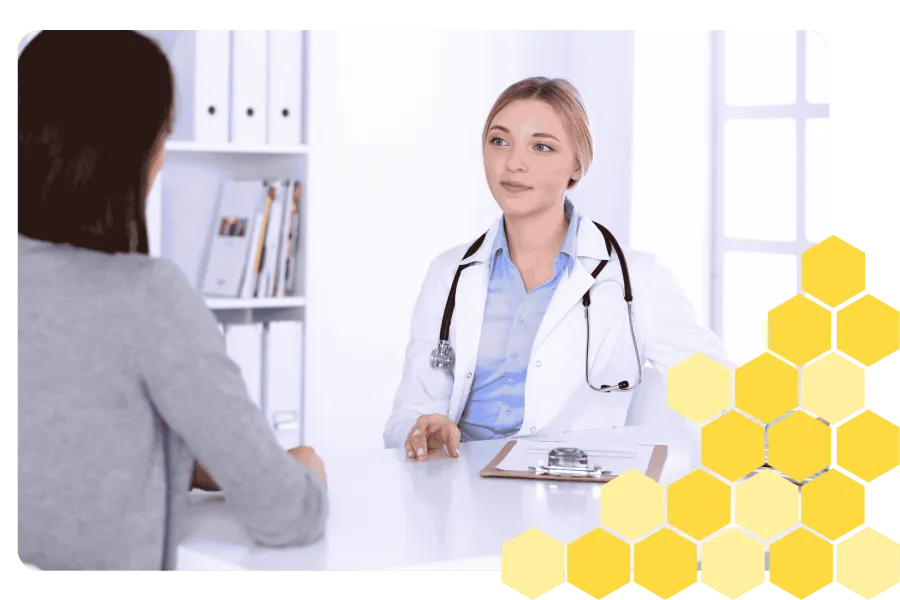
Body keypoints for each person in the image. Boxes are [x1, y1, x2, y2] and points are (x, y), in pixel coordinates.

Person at [16, 30, 328, 572]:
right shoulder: (145, 295)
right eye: (163, 132)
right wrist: (306, 474)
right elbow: (285, 513)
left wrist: (178, 461)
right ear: (133, 153)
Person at [383, 77, 731, 459]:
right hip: (457, 481)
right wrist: (422, 430)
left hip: (570, 488)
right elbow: (407, 416)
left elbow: (720, 390)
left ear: (577, 166)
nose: (513, 163)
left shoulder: (637, 279)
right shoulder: (449, 273)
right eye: (499, 141)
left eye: (542, 147)